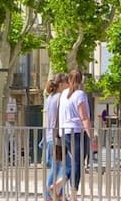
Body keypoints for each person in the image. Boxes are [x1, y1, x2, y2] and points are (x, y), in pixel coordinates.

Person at [59, 70, 95, 200]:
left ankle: (62, 186)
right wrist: (91, 135)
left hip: (64, 131)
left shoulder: (63, 94)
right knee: (78, 163)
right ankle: (72, 191)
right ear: (81, 80)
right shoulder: (80, 95)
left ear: (69, 80)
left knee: (72, 162)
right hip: (77, 132)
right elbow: (84, 117)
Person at [43, 73, 68, 201]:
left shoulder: (50, 98)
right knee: (62, 167)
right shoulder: (60, 97)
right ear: (62, 84)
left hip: (50, 136)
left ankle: (59, 195)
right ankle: (51, 195)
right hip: (57, 136)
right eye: (67, 83)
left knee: (58, 167)